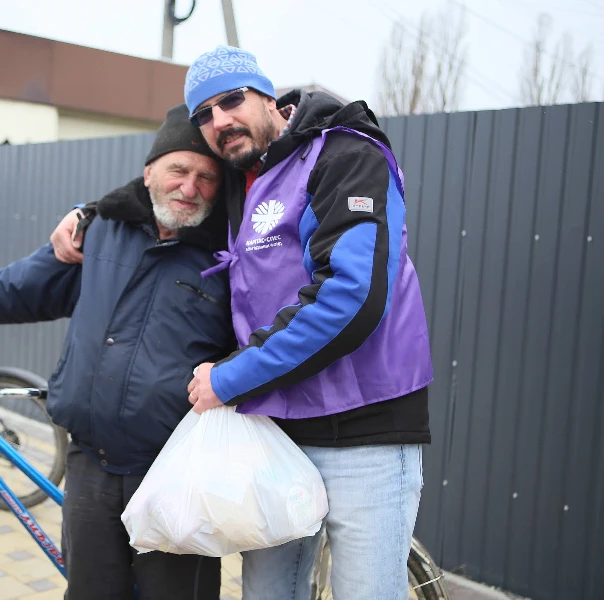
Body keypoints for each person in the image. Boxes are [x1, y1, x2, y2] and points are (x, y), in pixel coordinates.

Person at [51, 46, 433, 600]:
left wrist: (229, 378)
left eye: (231, 100)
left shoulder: (345, 153)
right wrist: (87, 213)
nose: (219, 121)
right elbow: (165, 192)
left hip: (368, 430)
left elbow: (350, 296)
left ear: (267, 96)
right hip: (277, 434)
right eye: (204, 114)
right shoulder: (240, 179)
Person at [0, 104, 235, 600]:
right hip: (91, 465)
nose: (190, 187)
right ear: (149, 173)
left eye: (206, 177)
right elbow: (24, 285)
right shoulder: (100, 230)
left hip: (175, 473)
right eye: (178, 170)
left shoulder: (231, 256)